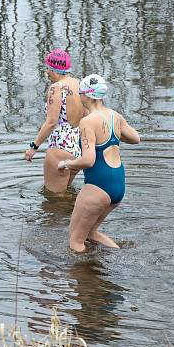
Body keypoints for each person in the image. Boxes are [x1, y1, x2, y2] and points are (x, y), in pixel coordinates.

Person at [57, 74, 140, 252]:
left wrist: (66, 164)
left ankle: (84, 278)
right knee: (91, 232)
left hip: (98, 185)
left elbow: (88, 160)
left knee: (75, 241)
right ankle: (120, 256)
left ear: (86, 95)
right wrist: (113, 135)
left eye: (80, 93)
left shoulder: (87, 122)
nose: (79, 97)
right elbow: (135, 138)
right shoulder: (115, 116)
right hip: (117, 185)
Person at [24, 49, 85, 193]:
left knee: (54, 198)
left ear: (54, 69)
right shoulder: (80, 85)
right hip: (77, 148)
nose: (47, 73)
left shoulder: (56, 88)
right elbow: (86, 115)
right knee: (66, 194)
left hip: (60, 149)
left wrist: (34, 147)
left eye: (48, 69)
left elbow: (51, 122)